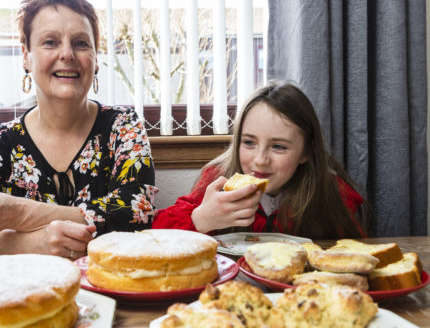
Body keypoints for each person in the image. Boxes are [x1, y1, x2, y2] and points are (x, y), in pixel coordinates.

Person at [0, 0, 157, 260]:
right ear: (26, 56)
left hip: (112, 294)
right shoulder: (2, 146)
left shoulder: (122, 127)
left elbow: (137, 214)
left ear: (96, 59)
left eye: (80, 43)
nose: (67, 54)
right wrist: (26, 243)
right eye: (50, 42)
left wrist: (19, 213)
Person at [152, 81, 367, 239]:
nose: (261, 160)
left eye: (279, 147)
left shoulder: (330, 191)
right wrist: (200, 219)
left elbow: (352, 253)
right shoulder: (217, 180)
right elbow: (156, 238)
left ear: (306, 152)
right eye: (249, 143)